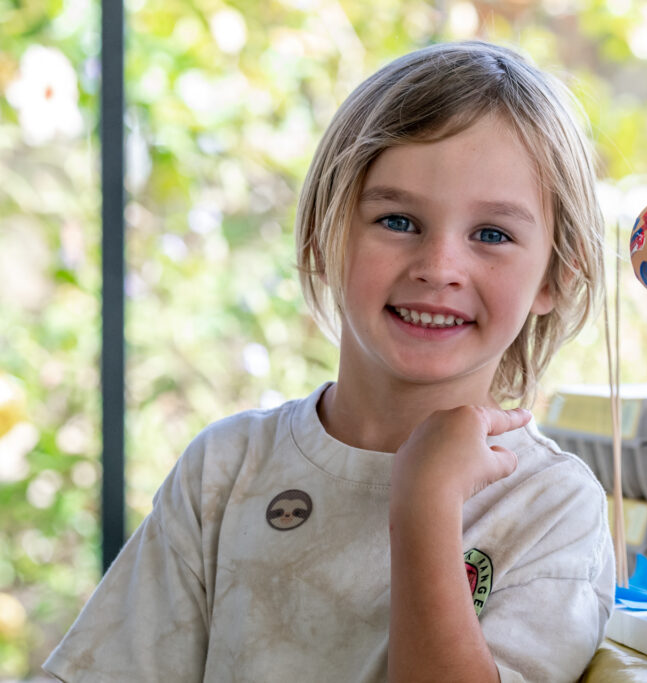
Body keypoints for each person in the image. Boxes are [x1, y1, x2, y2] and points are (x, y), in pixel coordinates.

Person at [44, 41, 615, 682]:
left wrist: (425, 502)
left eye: (492, 235)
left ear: (554, 278)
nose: (438, 268)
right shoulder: (227, 471)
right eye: (397, 220)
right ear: (324, 235)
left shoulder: (550, 507)